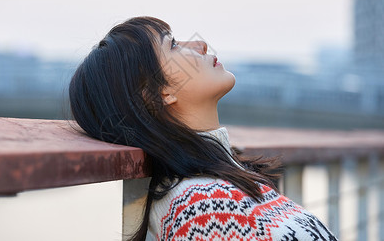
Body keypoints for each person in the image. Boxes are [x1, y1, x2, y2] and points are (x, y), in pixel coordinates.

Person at [69, 16, 338, 241]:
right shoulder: (204, 207)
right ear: (157, 93)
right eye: (173, 45)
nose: (200, 44)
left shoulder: (223, 183)